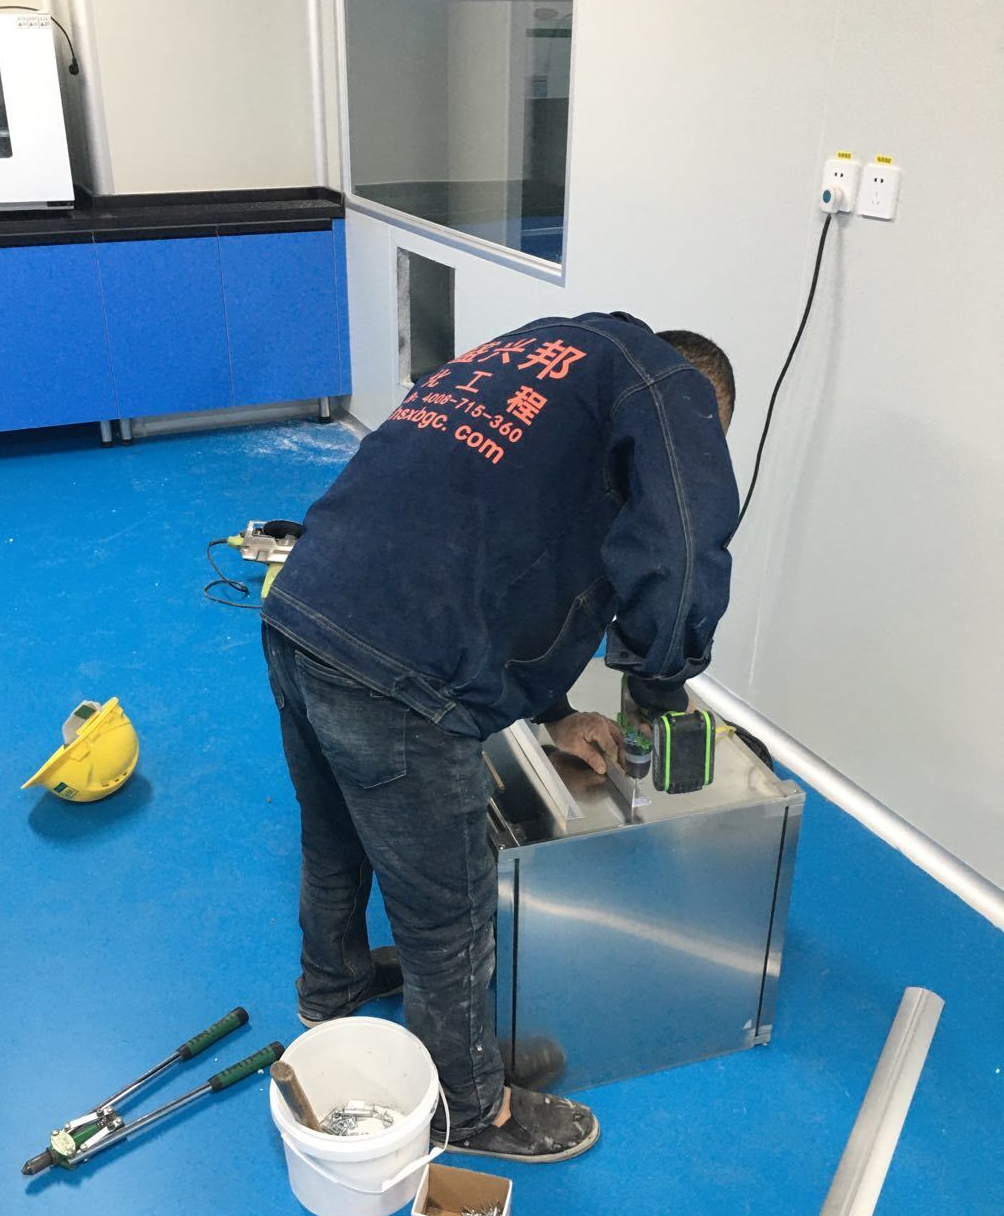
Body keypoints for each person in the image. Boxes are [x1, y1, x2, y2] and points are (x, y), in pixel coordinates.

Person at [261, 312, 739, 1162]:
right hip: (397, 668)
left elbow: (502, 551)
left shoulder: (548, 355)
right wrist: (660, 685)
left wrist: (555, 711)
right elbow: (681, 547)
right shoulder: (674, 390)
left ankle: (330, 989)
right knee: (448, 910)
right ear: (708, 404)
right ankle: (471, 1109)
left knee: (334, 832)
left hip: (303, 609)